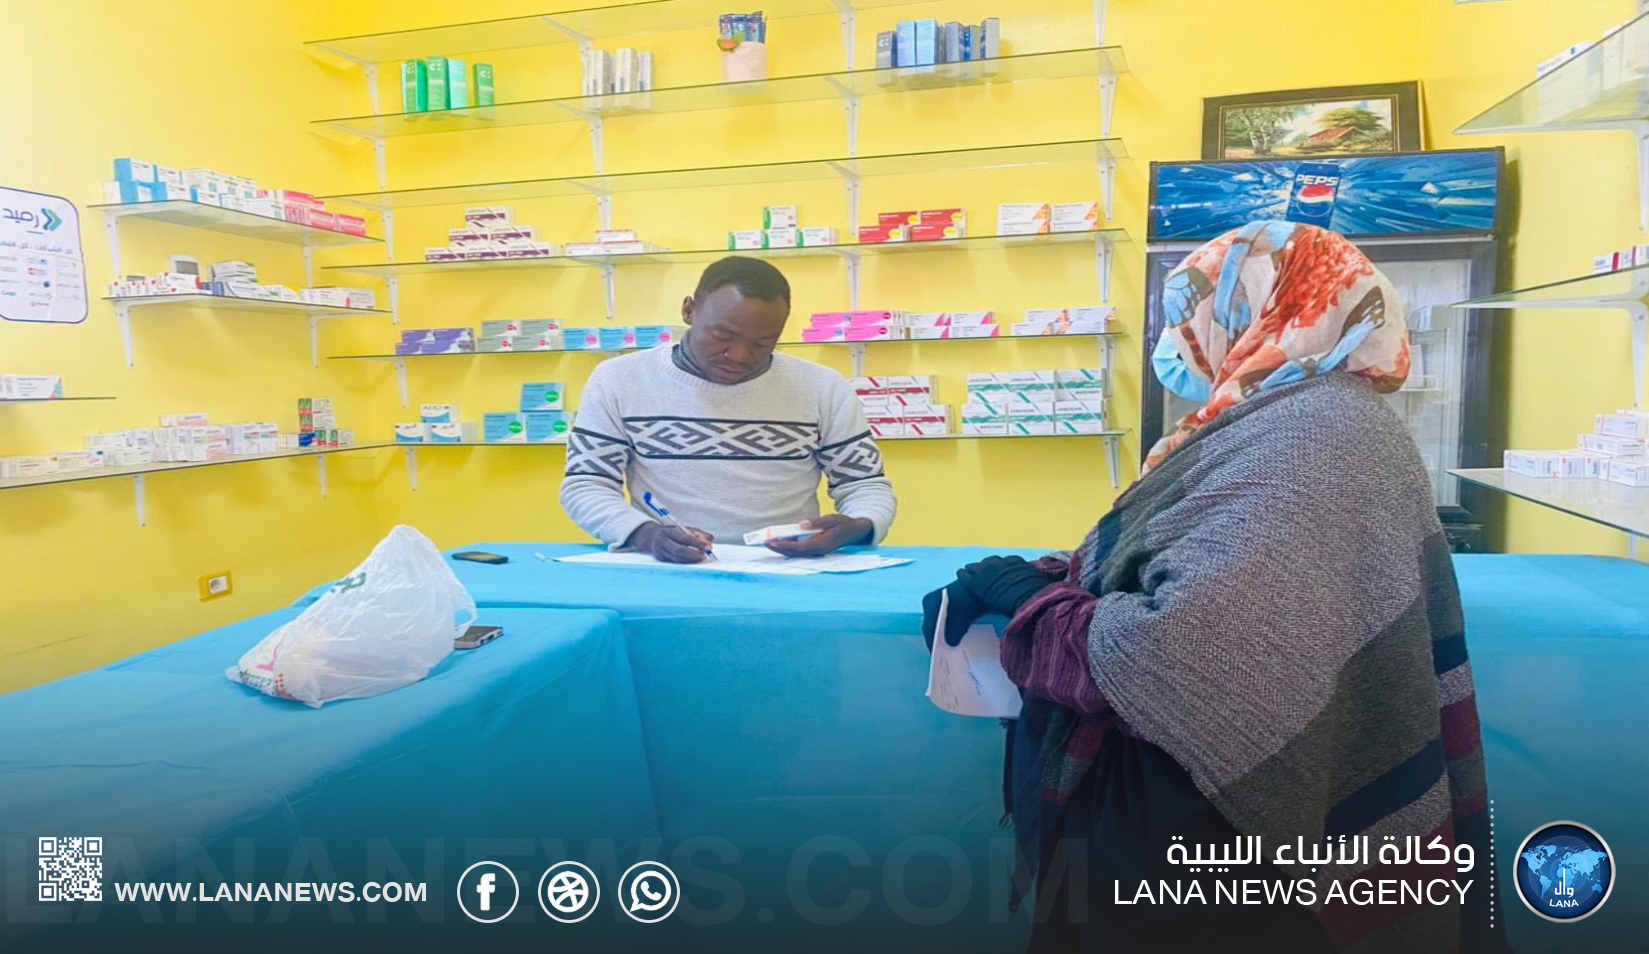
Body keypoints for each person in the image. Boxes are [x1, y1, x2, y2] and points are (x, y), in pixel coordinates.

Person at [923, 222, 1507, 954]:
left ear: (1265, 309)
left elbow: (1173, 653)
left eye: (1191, 313)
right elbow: (1202, 567)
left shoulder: (1311, 434)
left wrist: (1027, 601)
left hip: (1204, 839)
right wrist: (1050, 579)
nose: (1176, 340)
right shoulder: (1300, 417)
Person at [560, 256, 896, 563]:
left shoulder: (822, 387)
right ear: (689, 311)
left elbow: (865, 486)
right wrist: (644, 534)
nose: (739, 355)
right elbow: (586, 484)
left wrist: (860, 526)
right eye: (722, 335)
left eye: (762, 343)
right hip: (666, 568)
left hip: (787, 571)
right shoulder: (620, 379)